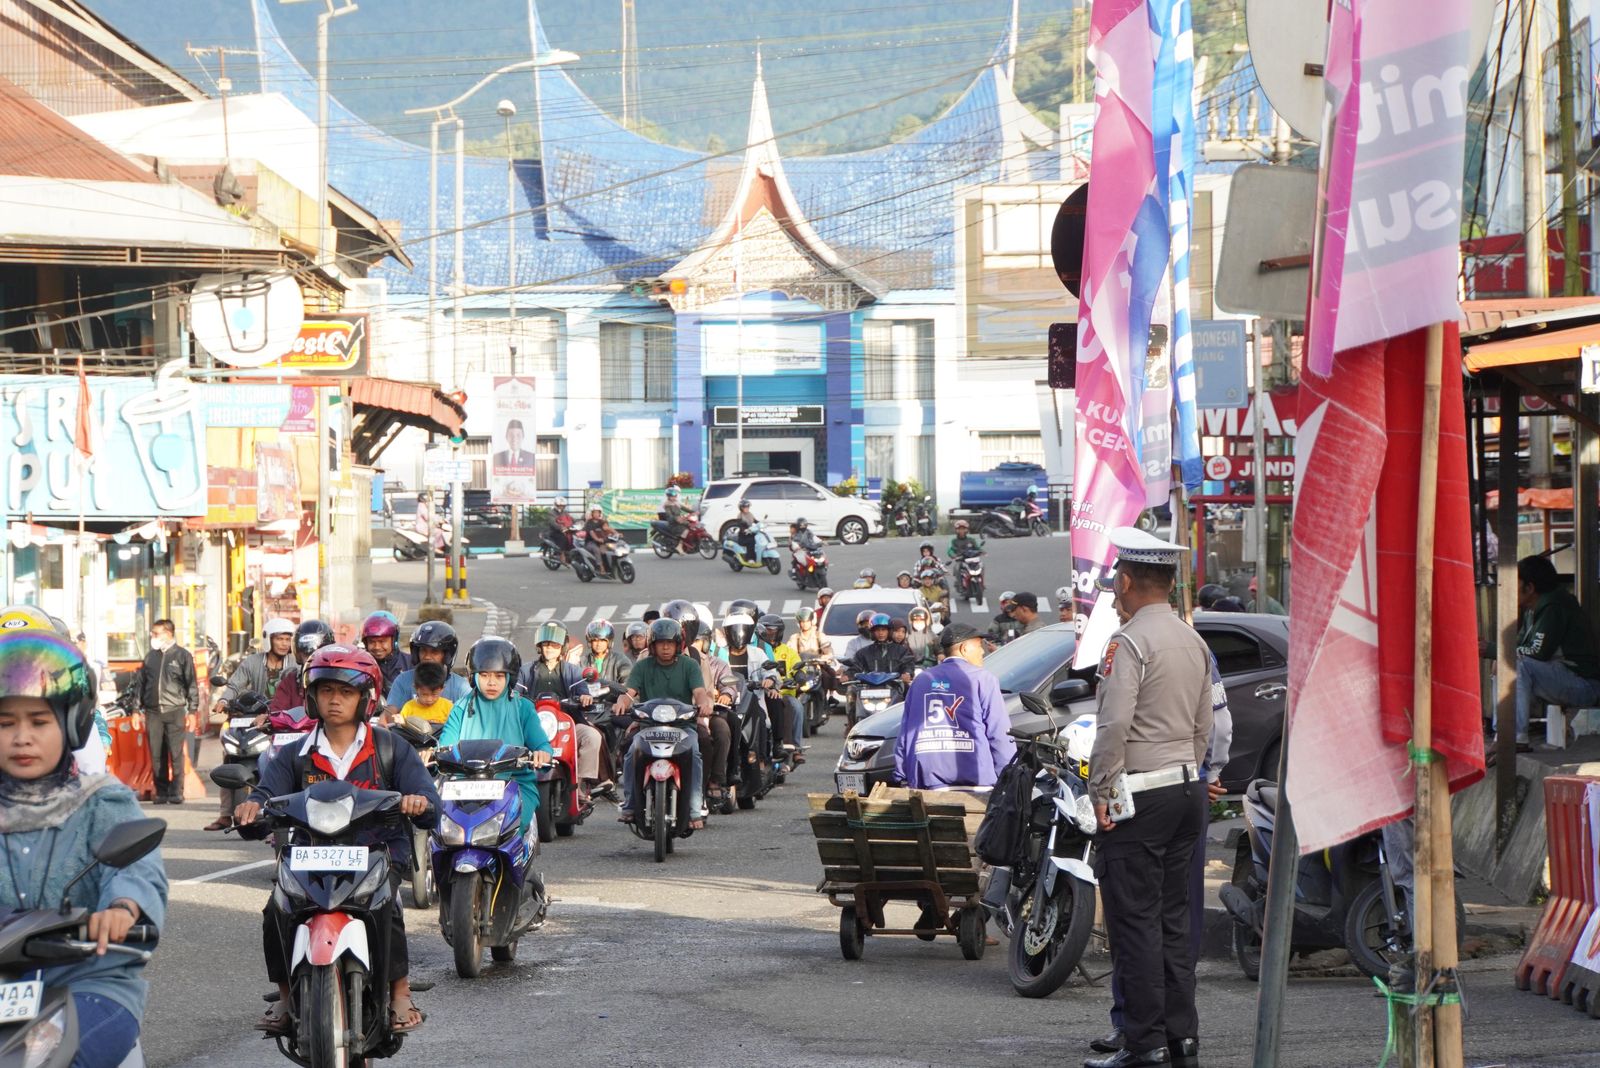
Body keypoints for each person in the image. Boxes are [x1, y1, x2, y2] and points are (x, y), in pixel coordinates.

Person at [237, 644, 439, 1037]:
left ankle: (399, 992)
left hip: (377, 851)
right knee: (276, 908)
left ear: (366, 698)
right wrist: (251, 808)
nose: (335, 699)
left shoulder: (390, 747)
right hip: (311, 854)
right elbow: (265, 795)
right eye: (326, 690)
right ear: (312, 696)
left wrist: (418, 801)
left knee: (387, 904)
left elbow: (428, 798)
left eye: (346, 692)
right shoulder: (295, 754)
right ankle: (285, 995)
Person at [0, 629, 169, 1068]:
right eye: (5, 723)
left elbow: (136, 866)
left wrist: (123, 908)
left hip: (88, 979)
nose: (21, 737)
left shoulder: (101, 800)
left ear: (72, 721)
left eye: (38, 722)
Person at [1084, 528, 1213, 1068]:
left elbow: (1114, 724)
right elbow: (1205, 726)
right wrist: (1187, 771)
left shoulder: (1129, 641)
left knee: (1134, 923)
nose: (1115, 597)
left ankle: (1145, 1044)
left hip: (1140, 794)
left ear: (1127, 581)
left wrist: (1100, 789)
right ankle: (1181, 1037)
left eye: (1116, 585)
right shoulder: (1193, 640)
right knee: (1173, 920)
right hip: (1186, 789)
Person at [438, 638, 554, 833]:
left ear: (510, 677)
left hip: (514, 783)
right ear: (473, 676)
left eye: (499, 676)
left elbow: (542, 744)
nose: (491, 682)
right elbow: (445, 747)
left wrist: (543, 753)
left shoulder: (523, 708)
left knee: (510, 829)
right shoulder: (460, 708)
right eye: (484, 675)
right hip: (462, 786)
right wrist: (432, 754)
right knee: (439, 831)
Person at [613, 619, 714, 827]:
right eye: (661, 643)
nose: (666, 647)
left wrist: (704, 704)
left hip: (683, 727)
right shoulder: (642, 666)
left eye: (670, 643)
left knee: (695, 754)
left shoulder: (690, 665)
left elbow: (699, 692)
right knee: (631, 754)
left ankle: (695, 809)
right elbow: (629, 693)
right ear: (653, 645)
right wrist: (621, 703)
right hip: (649, 727)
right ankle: (630, 804)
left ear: (678, 645)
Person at [893, 622, 1014, 789]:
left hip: (927, 783)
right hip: (976, 782)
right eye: (979, 646)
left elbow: (906, 732)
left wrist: (902, 775)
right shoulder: (983, 679)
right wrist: (1008, 777)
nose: (982, 651)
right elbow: (999, 733)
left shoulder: (921, 681)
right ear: (964, 648)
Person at [1504, 554, 1600, 746]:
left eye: (1516, 582)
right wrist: (1497, 654)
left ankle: (1515, 738)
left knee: (1519, 665)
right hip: (1564, 678)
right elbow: (1517, 645)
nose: (1510, 588)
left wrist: (1493, 650)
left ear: (1530, 587)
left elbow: (1539, 652)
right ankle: (1502, 735)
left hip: (1585, 686)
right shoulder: (1531, 608)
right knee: (1503, 665)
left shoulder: (1554, 605)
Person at [519, 623, 610, 801]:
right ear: (539, 646)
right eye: (546, 644)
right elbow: (515, 693)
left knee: (592, 736)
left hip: (567, 725)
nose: (549, 649)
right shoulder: (525, 671)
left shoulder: (573, 671)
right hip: (533, 724)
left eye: (554, 645)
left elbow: (583, 692)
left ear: (562, 647)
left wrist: (585, 698)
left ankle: (580, 784)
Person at [137, 618, 197, 805]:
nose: (153, 637)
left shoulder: (182, 656)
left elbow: (191, 685)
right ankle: (161, 791)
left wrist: (193, 711)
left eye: (156, 633)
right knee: (156, 754)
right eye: (152, 633)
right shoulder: (150, 657)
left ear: (168, 634)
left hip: (175, 710)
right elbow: (140, 684)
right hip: (153, 712)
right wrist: (135, 709)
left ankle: (176, 791)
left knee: (176, 753)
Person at [212, 618, 294, 718]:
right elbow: (235, 685)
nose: (285, 644)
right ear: (268, 640)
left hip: (287, 719)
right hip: (256, 717)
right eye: (280, 639)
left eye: (288, 639)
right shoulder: (252, 661)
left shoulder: (296, 664)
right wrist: (223, 700)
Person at [384, 621, 469, 716]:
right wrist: (391, 718)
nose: (427, 657)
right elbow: (389, 714)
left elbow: (471, 717)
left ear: (446, 656)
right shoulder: (403, 681)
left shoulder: (460, 687)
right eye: (423, 651)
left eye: (434, 652)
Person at [269, 619, 335, 713]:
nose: (312, 659)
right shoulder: (291, 681)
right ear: (299, 654)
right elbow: (276, 712)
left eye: (317, 654)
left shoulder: (338, 679)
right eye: (307, 654)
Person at [842, 613, 916, 685]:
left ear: (889, 631)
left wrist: (907, 673)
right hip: (869, 688)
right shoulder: (863, 653)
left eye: (883, 630)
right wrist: (848, 675)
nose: (881, 633)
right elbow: (856, 667)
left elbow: (908, 665)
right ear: (872, 632)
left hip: (894, 687)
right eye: (877, 630)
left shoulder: (901, 651)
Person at [360, 611, 412, 691]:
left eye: (382, 641)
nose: (377, 647)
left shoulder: (411, 664)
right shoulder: (361, 666)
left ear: (394, 640)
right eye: (371, 642)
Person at [573, 619, 632, 687]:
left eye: (602, 640)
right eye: (595, 640)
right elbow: (574, 683)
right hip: (587, 693)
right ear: (590, 642)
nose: (598, 644)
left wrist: (614, 687)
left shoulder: (620, 660)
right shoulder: (582, 662)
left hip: (615, 693)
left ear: (609, 642)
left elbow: (628, 683)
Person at [398, 661, 454, 725]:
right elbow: (402, 727)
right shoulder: (409, 708)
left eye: (434, 694)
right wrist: (400, 722)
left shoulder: (448, 707)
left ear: (442, 689)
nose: (429, 699)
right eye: (424, 694)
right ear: (416, 688)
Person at [653, 485, 692, 553]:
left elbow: (682, 507)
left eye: (676, 495)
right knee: (681, 529)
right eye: (673, 495)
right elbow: (670, 515)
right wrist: (677, 518)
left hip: (673, 518)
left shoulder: (675, 500)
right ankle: (677, 545)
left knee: (688, 525)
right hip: (667, 517)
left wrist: (692, 512)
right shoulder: (667, 503)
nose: (675, 496)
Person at [582, 505, 620, 576]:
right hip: (590, 542)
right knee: (596, 550)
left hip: (601, 542)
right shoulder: (589, 523)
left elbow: (607, 528)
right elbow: (591, 532)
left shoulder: (601, 522)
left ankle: (611, 566)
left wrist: (616, 533)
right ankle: (601, 567)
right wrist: (597, 539)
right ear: (591, 513)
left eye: (598, 512)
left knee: (608, 550)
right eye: (595, 512)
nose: (597, 514)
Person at [546, 497, 575, 564]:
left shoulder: (565, 512)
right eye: (560, 505)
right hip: (555, 531)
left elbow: (572, 519)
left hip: (566, 530)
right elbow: (553, 523)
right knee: (563, 538)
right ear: (556, 505)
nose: (561, 507)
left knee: (574, 537)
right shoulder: (551, 513)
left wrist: (579, 523)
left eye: (563, 506)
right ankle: (561, 554)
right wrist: (561, 527)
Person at [734, 499, 760, 563]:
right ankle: (750, 558)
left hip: (750, 533)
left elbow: (755, 521)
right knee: (751, 541)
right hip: (743, 536)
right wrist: (744, 530)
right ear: (741, 508)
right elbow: (740, 525)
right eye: (745, 507)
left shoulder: (750, 514)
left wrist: (761, 524)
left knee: (759, 539)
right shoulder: (740, 516)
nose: (747, 508)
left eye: (747, 507)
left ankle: (759, 556)